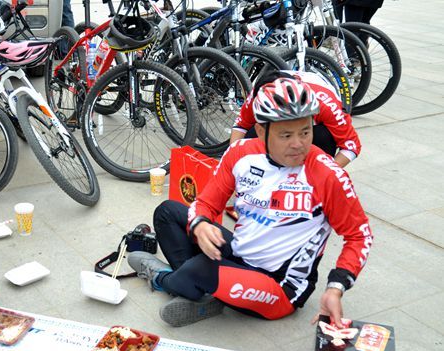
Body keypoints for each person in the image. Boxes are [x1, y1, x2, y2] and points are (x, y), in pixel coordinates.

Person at [128, 76, 373, 328]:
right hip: (241, 255)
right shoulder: (239, 154)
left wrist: (336, 287)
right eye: (286, 135)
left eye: (305, 132)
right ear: (261, 131)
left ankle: (164, 278)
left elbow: (359, 236)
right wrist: (201, 224)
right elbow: (206, 203)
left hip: (280, 288)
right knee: (167, 212)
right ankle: (208, 288)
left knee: (198, 268)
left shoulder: (328, 174)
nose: (298, 144)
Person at [231, 70, 361, 168]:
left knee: (324, 136)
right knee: (251, 137)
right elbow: (241, 126)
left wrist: (329, 173)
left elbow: (351, 145)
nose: (295, 144)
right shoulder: (259, 95)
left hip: (319, 127)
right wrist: (234, 163)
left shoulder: (327, 105)